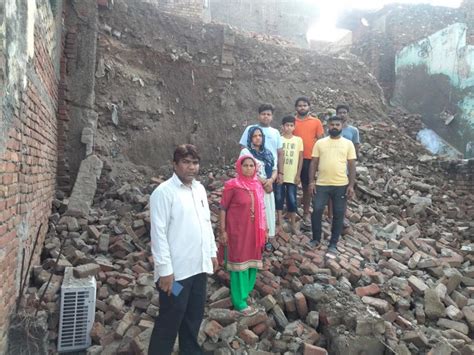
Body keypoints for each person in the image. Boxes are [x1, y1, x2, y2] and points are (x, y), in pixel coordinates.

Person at [148, 144, 218, 355]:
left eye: (195, 163)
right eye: (186, 162)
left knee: (193, 316)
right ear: (175, 164)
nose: (191, 167)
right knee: (171, 316)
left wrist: (212, 251)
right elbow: (158, 235)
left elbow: (205, 223)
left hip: (198, 269)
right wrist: (165, 271)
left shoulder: (199, 189)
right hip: (175, 275)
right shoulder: (163, 193)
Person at [219, 155, 267, 316]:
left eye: (251, 166)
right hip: (237, 232)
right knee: (239, 264)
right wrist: (222, 230)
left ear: (255, 168)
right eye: (245, 165)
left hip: (254, 232)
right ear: (239, 167)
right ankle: (239, 302)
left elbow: (262, 210)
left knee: (252, 263)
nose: (248, 168)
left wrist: (265, 229)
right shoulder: (232, 186)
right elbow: (223, 208)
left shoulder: (257, 186)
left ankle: (245, 294)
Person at [308, 116, 356, 254]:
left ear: (342, 126)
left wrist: (351, 185)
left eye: (337, 124)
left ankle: (333, 243)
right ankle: (316, 239)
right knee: (317, 210)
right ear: (327, 126)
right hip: (322, 184)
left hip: (341, 185)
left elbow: (352, 166)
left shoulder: (348, 144)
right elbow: (314, 163)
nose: (334, 127)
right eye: (332, 125)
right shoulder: (320, 143)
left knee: (339, 213)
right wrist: (312, 182)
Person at [240, 126, 277, 248]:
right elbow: (245, 170)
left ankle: (266, 239)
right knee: (255, 214)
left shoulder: (268, 153)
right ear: (250, 138)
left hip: (267, 188)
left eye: (260, 136)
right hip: (253, 189)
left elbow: (275, 169)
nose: (257, 138)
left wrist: (270, 181)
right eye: (254, 136)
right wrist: (263, 182)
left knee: (267, 212)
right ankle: (255, 240)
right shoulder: (246, 152)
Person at [293, 97, 324, 229]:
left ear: (309, 107)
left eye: (305, 105)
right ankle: (291, 211)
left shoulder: (316, 122)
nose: (302, 107)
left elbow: (321, 140)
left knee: (307, 187)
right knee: (291, 185)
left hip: (310, 159)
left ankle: (305, 213)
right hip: (294, 159)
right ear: (296, 107)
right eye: (299, 105)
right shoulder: (291, 122)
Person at [327, 105, 361, 222]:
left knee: (344, 192)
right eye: (340, 112)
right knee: (331, 191)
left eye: (344, 112)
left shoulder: (353, 131)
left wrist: (351, 162)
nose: (342, 114)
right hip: (332, 164)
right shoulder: (331, 129)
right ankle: (330, 215)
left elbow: (356, 147)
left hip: (346, 166)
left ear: (348, 114)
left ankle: (341, 215)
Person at [239, 103, 283, 183]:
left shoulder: (275, 132)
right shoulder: (250, 129)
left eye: (268, 114)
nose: (266, 116)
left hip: (271, 171)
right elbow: (244, 150)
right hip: (254, 172)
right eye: (263, 114)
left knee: (272, 194)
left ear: (272, 117)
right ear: (258, 116)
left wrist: (280, 173)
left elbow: (280, 153)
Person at [275, 116, 303, 234]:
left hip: (292, 175)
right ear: (282, 127)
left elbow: (301, 158)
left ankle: (293, 224)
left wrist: (298, 174)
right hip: (280, 174)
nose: (289, 128)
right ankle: (280, 223)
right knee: (279, 197)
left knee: (292, 199)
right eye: (287, 125)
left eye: (291, 125)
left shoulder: (298, 140)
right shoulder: (279, 139)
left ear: (294, 127)